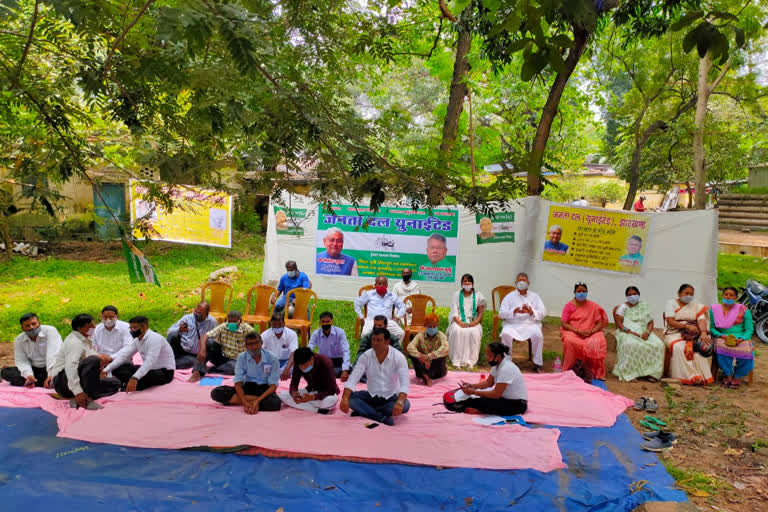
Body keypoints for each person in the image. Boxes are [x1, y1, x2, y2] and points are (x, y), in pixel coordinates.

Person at [340, 327, 410, 426]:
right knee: (350, 398)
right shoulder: (366, 356)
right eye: (373, 340)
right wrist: (345, 398)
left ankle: (365, 411)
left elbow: (405, 383)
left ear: (387, 342)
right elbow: (353, 379)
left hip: (390, 397)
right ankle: (379, 417)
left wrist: (399, 402)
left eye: (379, 340)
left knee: (405, 405)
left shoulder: (399, 357)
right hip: (371, 395)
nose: (375, 343)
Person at [49, 314, 120, 409]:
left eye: (94, 325)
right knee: (94, 360)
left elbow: (90, 356)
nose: (94, 328)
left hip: (82, 379)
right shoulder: (75, 342)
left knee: (115, 383)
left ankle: (81, 397)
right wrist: (78, 392)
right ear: (79, 328)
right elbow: (71, 367)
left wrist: (101, 364)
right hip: (63, 382)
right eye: (90, 326)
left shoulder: (86, 338)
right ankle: (82, 397)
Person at [210, 332, 282, 413]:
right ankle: (255, 402)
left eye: (256, 343)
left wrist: (257, 401)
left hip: (265, 388)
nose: (254, 347)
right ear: (246, 346)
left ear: (261, 343)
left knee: (276, 403)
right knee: (216, 393)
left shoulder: (272, 358)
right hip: (247, 387)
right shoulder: (241, 357)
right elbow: (238, 383)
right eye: (250, 344)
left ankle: (248, 402)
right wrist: (244, 402)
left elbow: (273, 385)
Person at [101, 316, 176, 391]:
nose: (131, 330)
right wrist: (106, 370)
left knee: (144, 376)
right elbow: (124, 356)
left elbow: (150, 361)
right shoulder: (137, 340)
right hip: (148, 369)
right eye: (130, 328)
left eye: (134, 328)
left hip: (163, 372)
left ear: (144, 327)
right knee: (120, 367)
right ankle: (130, 384)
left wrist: (135, 377)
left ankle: (129, 384)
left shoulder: (155, 339)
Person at [454, 342, 528, 415]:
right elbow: (488, 383)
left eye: (489, 356)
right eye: (487, 355)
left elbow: (496, 394)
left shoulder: (506, 368)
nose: (487, 358)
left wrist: (473, 392)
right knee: (478, 398)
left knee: (482, 401)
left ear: (498, 357)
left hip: (518, 404)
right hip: (505, 399)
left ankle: (476, 409)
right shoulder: (496, 365)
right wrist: (472, 386)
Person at [663, 284, 713, 385]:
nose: (689, 296)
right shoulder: (671, 303)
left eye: (691, 294)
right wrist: (686, 326)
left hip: (694, 333)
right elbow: (670, 321)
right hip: (674, 332)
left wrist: (703, 333)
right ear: (679, 293)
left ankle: (700, 375)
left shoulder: (696, 306)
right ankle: (690, 376)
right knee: (679, 347)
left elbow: (701, 320)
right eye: (686, 293)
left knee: (702, 345)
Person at [612, 286, 665, 382]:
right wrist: (630, 332)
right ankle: (630, 373)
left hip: (644, 331)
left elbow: (650, 322)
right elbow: (619, 324)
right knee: (630, 345)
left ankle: (652, 373)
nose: (632, 296)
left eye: (634, 294)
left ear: (639, 295)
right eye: (629, 294)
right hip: (627, 331)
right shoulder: (622, 307)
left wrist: (647, 332)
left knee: (659, 345)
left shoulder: (644, 305)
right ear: (626, 296)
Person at [560, 282, 609, 380]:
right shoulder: (569, 306)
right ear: (574, 292)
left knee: (598, 340)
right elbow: (564, 323)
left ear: (587, 292)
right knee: (570, 341)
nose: (581, 293)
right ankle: (571, 369)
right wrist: (577, 331)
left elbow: (600, 322)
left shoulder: (593, 306)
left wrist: (592, 331)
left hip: (590, 332)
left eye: (584, 291)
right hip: (573, 332)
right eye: (579, 291)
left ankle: (594, 371)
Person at [499, 273, 546, 372]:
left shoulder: (535, 296)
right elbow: (501, 313)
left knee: (538, 335)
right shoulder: (509, 297)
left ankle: (537, 363)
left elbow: (543, 313)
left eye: (524, 280)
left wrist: (531, 312)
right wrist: (514, 311)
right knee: (505, 333)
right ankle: (507, 362)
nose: (522, 282)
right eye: (519, 280)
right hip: (512, 324)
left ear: (528, 283)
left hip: (530, 324)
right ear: (516, 283)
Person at [188, 310, 254, 382]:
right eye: (229, 321)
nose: (231, 324)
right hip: (221, 356)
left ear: (240, 321)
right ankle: (197, 371)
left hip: (235, 360)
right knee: (209, 343)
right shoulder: (224, 326)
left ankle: (211, 369)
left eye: (234, 322)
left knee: (235, 368)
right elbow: (205, 336)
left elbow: (256, 343)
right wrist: (202, 350)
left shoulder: (248, 330)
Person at [1, 313, 62, 388]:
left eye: (34, 324)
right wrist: (29, 375)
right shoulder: (19, 340)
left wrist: (51, 375)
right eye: (27, 326)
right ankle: (37, 381)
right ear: (22, 328)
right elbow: (21, 361)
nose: (31, 327)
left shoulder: (51, 331)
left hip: (54, 367)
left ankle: (48, 380)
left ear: (39, 323)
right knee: (5, 372)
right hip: (35, 370)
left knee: (65, 374)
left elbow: (53, 355)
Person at [710, 287, 754, 388]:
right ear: (722, 295)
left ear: (736, 297)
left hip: (741, 337)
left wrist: (742, 339)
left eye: (731, 295)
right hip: (722, 336)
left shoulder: (743, 310)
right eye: (726, 294)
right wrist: (721, 335)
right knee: (721, 348)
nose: (728, 297)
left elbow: (749, 329)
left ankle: (737, 376)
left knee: (747, 350)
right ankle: (728, 374)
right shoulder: (714, 309)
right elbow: (711, 328)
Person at [279, 347, 340, 413]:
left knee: (329, 401)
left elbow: (331, 390)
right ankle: (317, 410)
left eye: (305, 365)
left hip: (325, 394)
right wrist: (294, 394)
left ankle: (307, 405)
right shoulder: (298, 363)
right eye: (300, 366)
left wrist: (313, 397)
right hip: (310, 391)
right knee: (283, 395)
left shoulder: (326, 362)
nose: (303, 368)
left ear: (312, 359)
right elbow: (294, 383)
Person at [446, 274, 486, 368]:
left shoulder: (478, 295)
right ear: (461, 283)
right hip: (459, 320)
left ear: (472, 283)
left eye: (469, 281)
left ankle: (470, 361)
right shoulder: (456, 295)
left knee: (474, 332)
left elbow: (480, 313)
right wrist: (459, 322)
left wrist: (475, 322)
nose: (467, 283)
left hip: (473, 321)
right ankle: (456, 360)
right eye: (464, 281)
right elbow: (454, 311)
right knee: (457, 331)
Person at [167, 302, 219, 370]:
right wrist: (179, 329)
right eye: (195, 312)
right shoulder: (187, 318)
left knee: (186, 362)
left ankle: (169, 363)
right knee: (173, 335)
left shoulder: (212, 322)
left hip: (194, 355)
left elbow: (214, 342)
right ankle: (168, 360)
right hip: (180, 349)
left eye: (200, 313)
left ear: (206, 314)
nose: (196, 315)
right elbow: (169, 331)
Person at [354, 276, 406, 342]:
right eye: (379, 284)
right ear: (375, 285)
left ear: (387, 285)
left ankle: (393, 349)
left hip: (387, 322)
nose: (381, 286)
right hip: (372, 321)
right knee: (365, 334)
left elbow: (402, 306)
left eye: (384, 284)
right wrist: (361, 317)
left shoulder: (392, 295)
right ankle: (369, 350)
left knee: (400, 333)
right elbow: (357, 304)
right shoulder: (369, 294)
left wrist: (398, 317)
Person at [406, 313, 448, 386]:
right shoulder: (420, 335)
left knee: (441, 355)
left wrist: (429, 356)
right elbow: (410, 347)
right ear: (425, 325)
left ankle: (425, 375)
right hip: (423, 365)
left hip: (437, 369)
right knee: (412, 355)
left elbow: (445, 348)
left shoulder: (441, 336)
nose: (432, 328)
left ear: (437, 325)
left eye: (434, 326)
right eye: (430, 326)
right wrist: (420, 356)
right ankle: (426, 376)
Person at [308, 311, 351, 380]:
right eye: (323, 321)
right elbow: (310, 348)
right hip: (324, 362)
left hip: (338, 362)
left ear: (332, 322)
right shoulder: (316, 334)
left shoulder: (340, 333)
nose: (325, 323)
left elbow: (346, 351)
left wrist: (345, 369)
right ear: (320, 323)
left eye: (328, 321)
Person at [261, 314, 299, 380]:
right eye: (274, 324)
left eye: (280, 324)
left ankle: (276, 374)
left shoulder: (291, 334)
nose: (277, 327)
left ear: (284, 324)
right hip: (270, 362)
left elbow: (294, 352)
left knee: (295, 368)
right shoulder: (265, 335)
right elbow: (260, 352)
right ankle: (277, 374)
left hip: (286, 362)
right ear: (271, 324)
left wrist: (287, 368)